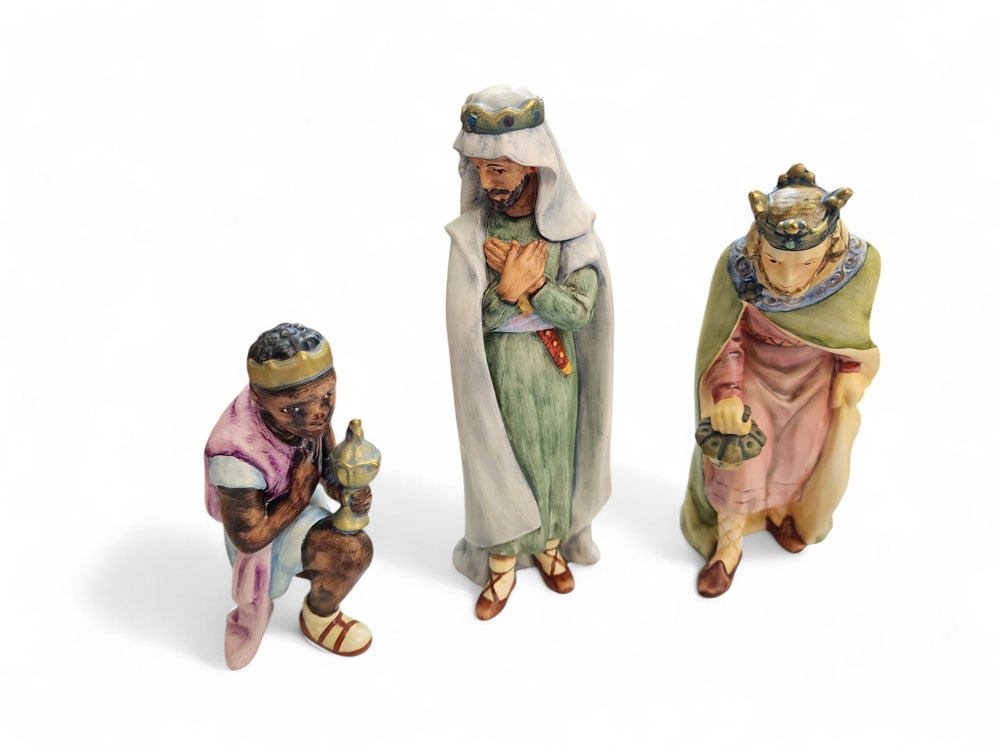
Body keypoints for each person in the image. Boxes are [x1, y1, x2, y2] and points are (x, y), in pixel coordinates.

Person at [445, 85, 613, 620]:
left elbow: (580, 311)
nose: (487, 181)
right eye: (479, 169)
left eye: (499, 169)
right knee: (502, 461)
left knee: (553, 458)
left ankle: (550, 548)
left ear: (534, 164)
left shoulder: (570, 231)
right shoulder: (473, 234)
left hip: (555, 371)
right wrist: (506, 292)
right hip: (498, 373)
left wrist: (534, 286)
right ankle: (500, 564)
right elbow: (469, 322)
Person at [682, 164, 880, 597]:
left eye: (804, 263)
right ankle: (728, 545)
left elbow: (849, 333)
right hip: (751, 373)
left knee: (803, 451)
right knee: (741, 454)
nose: (788, 278)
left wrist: (849, 371)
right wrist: (727, 392)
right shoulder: (739, 267)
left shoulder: (857, 267)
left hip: (813, 380)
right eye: (775, 261)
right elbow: (727, 337)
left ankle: (783, 512)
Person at [204, 323, 373, 668]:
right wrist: (297, 497)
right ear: (258, 398)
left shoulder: (309, 408)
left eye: (327, 396)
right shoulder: (235, 455)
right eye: (294, 409)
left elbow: (325, 467)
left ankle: (318, 587)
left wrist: (345, 488)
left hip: (302, 506)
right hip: (266, 534)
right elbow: (248, 538)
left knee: (350, 541)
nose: (319, 414)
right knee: (352, 552)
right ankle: (320, 617)